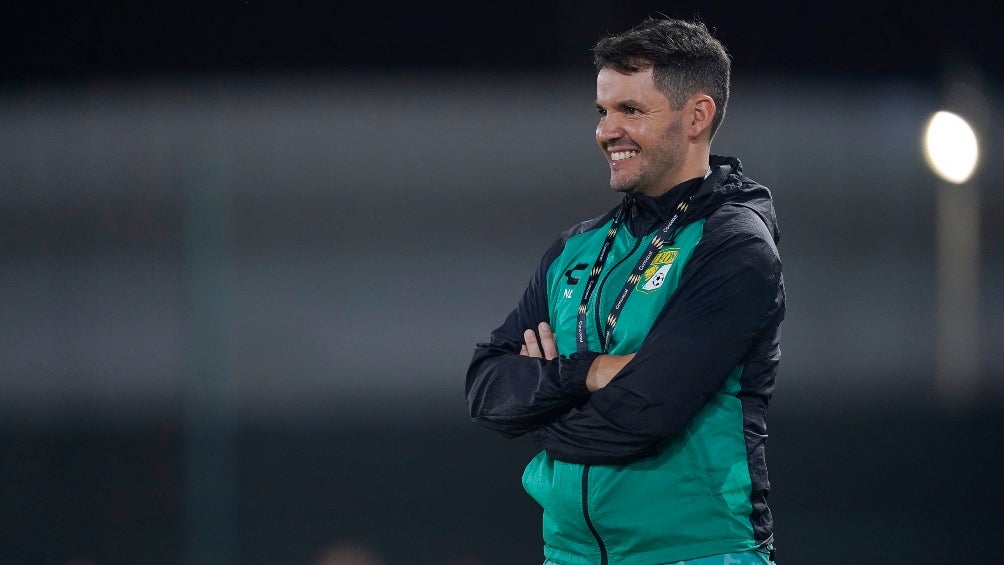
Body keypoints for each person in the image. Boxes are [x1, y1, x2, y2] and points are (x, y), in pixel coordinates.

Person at [465, 16, 785, 565]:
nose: (606, 131)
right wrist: (587, 374)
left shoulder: (734, 245)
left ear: (697, 116)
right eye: (602, 111)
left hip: (697, 554)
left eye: (631, 110)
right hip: (568, 555)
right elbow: (486, 387)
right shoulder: (576, 248)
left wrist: (539, 411)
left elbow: (644, 413)